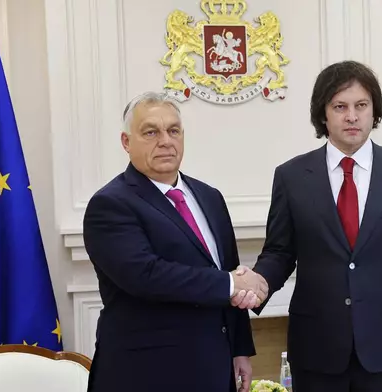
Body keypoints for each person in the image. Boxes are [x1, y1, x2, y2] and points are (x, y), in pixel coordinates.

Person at [234, 61, 382, 392]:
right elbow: (280, 252)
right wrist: (256, 283)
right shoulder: (291, 177)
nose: (352, 116)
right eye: (340, 106)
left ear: (374, 111)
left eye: (361, 106)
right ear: (323, 114)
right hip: (316, 349)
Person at [83, 92, 268, 392]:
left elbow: (228, 268)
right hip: (146, 374)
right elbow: (146, 275)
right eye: (151, 132)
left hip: (213, 369)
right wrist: (231, 284)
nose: (165, 141)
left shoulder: (210, 197)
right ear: (126, 142)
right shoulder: (110, 204)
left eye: (173, 131)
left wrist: (239, 348)